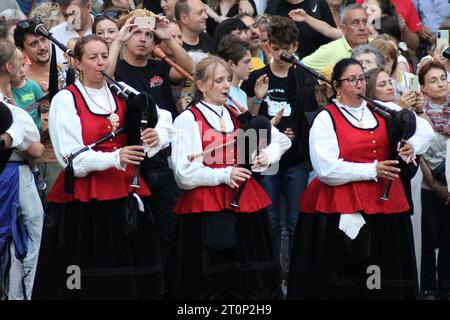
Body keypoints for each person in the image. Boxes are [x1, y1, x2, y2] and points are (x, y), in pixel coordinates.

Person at [32, 35, 171, 299]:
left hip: (126, 193)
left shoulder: (121, 90)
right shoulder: (66, 99)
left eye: (105, 56)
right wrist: (115, 158)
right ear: (78, 64)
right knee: (86, 275)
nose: (100, 63)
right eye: (93, 58)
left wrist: (157, 136)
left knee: (130, 270)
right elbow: (70, 158)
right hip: (86, 199)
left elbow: (163, 117)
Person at [287, 58, 431, 299]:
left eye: (362, 79)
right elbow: (325, 169)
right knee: (350, 269)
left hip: (385, 205)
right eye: (351, 80)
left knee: (380, 267)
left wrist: (412, 146)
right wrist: (371, 170)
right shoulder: (326, 118)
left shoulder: (383, 110)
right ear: (337, 86)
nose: (359, 85)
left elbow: (424, 129)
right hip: (343, 204)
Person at [168, 55, 291, 299]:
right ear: (201, 85)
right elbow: (183, 174)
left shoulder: (239, 113)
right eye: (218, 81)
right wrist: (226, 173)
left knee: (249, 283)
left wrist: (265, 156)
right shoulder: (188, 119)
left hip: (245, 204)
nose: (226, 86)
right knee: (212, 284)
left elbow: (282, 140)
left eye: (227, 80)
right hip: (205, 208)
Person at [241, 16, 315, 276]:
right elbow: (245, 122)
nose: (281, 52)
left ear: (295, 46)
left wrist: (299, 132)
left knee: (295, 223)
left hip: (295, 160)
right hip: (265, 160)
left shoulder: (304, 77)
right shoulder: (257, 76)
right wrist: (255, 98)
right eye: (276, 46)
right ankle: (270, 277)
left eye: (287, 46)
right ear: (268, 46)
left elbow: (315, 117)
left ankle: (295, 279)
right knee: (270, 221)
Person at [417, 61, 450, 300]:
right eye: (433, 80)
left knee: (449, 240)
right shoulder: (419, 114)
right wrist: (436, 186)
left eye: (443, 78)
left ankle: (446, 287)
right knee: (429, 240)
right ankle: (428, 288)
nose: (440, 84)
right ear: (423, 88)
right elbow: (420, 156)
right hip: (428, 183)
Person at [301, 4, 370, 73]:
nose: (362, 27)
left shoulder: (376, 45)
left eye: (365, 22)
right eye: (355, 23)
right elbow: (299, 67)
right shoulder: (329, 50)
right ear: (343, 28)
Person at [273, 0, 337, 59]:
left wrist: (307, 18)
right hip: (282, 65)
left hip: (315, 67)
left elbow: (333, 38)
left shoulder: (317, 3)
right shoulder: (273, 6)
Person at [50, 0, 94, 64]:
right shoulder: (54, 34)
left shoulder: (106, 30)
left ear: (88, 6)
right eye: (65, 15)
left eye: (73, 14)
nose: (69, 21)